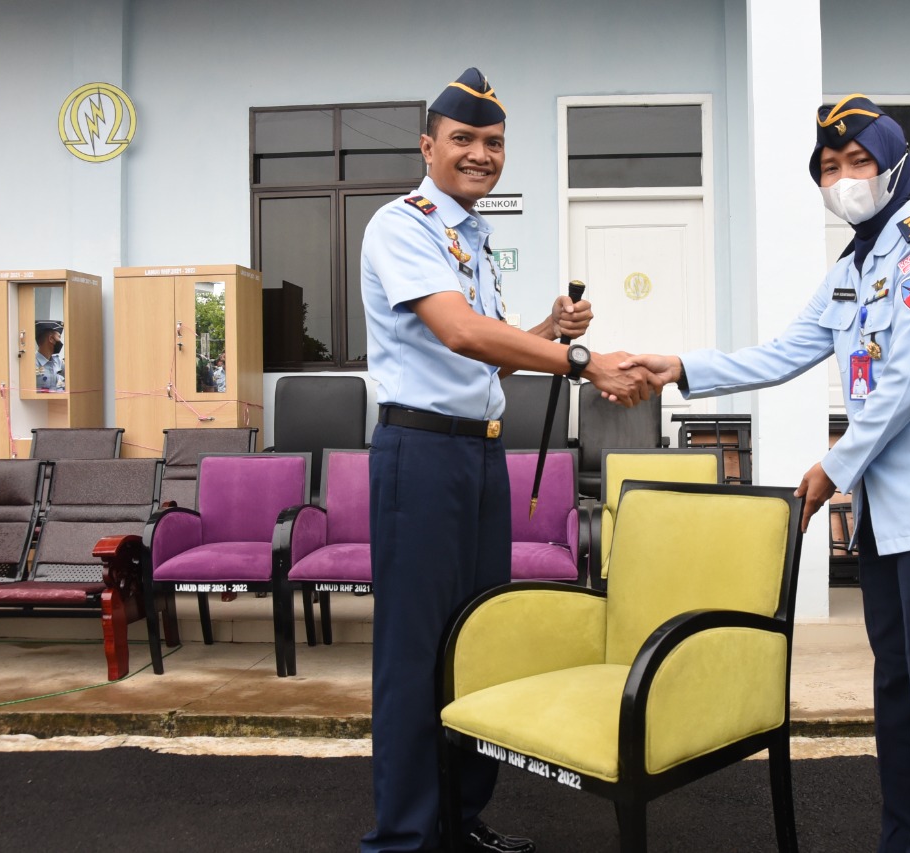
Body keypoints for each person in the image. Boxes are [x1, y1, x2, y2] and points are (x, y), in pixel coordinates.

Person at [630, 95, 910, 853]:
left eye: (858, 161)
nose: (843, 179)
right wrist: (679, 366)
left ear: (898, 165)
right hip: (892, 526)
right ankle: (903, 840)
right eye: (829, 168)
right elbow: (781, 352)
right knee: (900, 703)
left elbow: (904, 386)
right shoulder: (854, 267)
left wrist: (830, 468)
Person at [360, 68, 657, 853]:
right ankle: (404, 838)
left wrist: (547, 330)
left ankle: (459, 820)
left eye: (493, 143)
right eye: (463, 139)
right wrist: (583, 360)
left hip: (477, 460)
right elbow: (459, 333)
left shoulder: (472, 238)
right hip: (418, 458)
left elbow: (483, 365)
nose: (480, 154)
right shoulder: (403, 225)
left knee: (477, 640)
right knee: (414, 655)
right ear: (428, 145)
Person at [34, 320, 65, 391]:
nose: (60, 341)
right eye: (59, 337)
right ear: (51, 339)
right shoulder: (32, 364)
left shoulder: (58, 362)